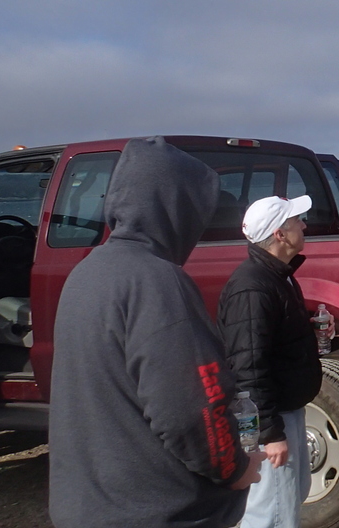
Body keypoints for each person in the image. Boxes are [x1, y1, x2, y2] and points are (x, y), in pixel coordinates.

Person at [49, 137, 263, 528]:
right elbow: (190, 409)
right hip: (158, 511)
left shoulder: (86, 273)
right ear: (178, 209)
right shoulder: (157, 281)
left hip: (89, 506)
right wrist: (235, 468)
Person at [218, 195, 325, 528]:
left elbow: (269, 340)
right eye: (297, 220)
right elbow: (247, 366)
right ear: (279, 234)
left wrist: (309, 328)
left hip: (286, 410)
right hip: (273, 417)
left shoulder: (278, 276)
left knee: (290, 497)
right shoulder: (253, 287)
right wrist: (269, 433)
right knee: (273, 513)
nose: (304, 225)